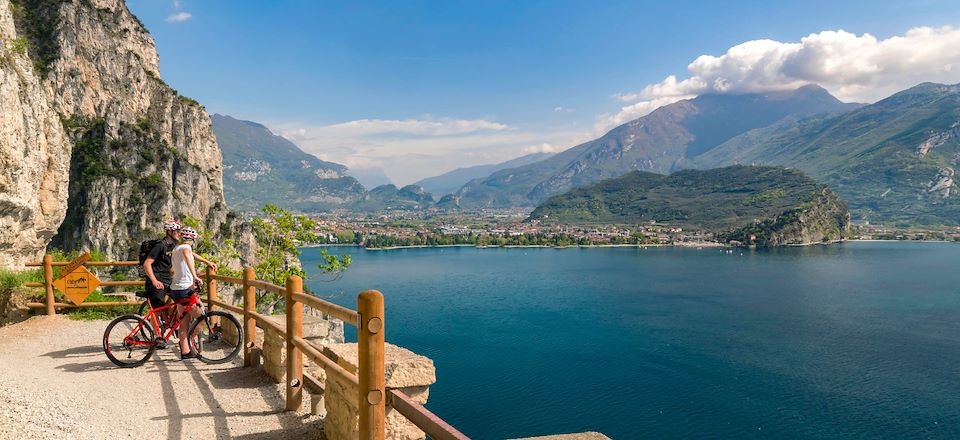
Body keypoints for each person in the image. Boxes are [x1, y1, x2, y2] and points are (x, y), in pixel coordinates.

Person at [170, 226, 206, 360]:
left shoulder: (176, 248)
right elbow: (188, 255)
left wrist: (206, 261)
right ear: (192, 239)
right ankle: (190, 343)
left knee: (184, 321)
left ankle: (185, 351)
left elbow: (191, 256)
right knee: (202, 317)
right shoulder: (186, 248)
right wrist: (195, 276)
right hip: (184, 289)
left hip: (177, 288)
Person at [143, 219, 182, 311]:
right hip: (157, 280)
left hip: (168, 280)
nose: (179, 233)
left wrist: (206, 262)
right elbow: (147, 264)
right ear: (169, 231)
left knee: (182, 301)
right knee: (158, 310)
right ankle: (154, 325)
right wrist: (154, 281)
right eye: (177, 231)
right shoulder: (160, 245)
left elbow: (188, 253)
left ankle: (169, 324)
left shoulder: (174, 245)